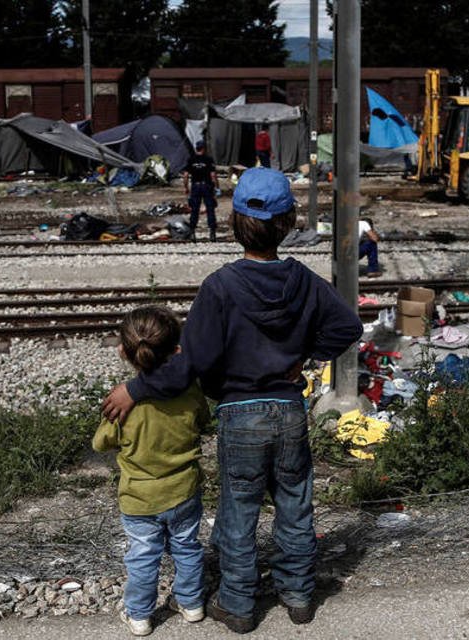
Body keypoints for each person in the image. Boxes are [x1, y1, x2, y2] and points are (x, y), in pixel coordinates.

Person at [102, 167, 363, 634]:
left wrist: (135, 388)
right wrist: (305, 356)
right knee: (295, 504)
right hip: (287, 412)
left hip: (239, 415)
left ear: (233, 222)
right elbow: (348, 327)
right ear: (287, 223)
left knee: (239, 512)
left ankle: (239, 605)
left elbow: (191, 363)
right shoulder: (303, 281)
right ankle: (299, 595)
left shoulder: (219, 288)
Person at [93, 305, 210, 637]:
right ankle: (191, 604)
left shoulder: (123, 403)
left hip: (140, 498)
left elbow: (102, 443)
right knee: (186, 546)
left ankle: (141, 615)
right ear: (176, 349)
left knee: (144, 557)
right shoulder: (190, 391)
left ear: (123, 352)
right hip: (184, 489)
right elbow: (204, 421)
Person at [183, 140, 219, 241]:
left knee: (195, 209)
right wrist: (217, 187)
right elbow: (213, 175)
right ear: (204, 148)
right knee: (210, 209)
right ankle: (212, 233)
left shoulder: (191, 159)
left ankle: (192, 232)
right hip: (206, 186)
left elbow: (185, 175)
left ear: (196, 148)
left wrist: (186, 187)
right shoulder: (208, 159)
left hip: (195, 186)